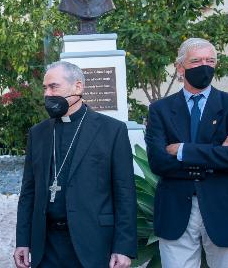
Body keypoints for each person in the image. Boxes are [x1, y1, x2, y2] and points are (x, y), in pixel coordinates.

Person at [14, 61, 137, 268]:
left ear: (78, 87)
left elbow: (124, 192)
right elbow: (28, 192)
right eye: (45, 88)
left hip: (93, 242)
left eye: (54, 87)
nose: (47, 94)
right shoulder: (39, 133)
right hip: (47, 244)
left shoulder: (112, 131)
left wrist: (123, 247)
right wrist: (23, 241)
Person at [145, 38, 228, 268]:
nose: (204, 66)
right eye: (196, 61)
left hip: (226, 210)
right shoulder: (159, 110)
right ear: (180, 67)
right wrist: (217, 153)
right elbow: (158, 162)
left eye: (210, 60)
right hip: (176, 209)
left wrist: (182, 150)